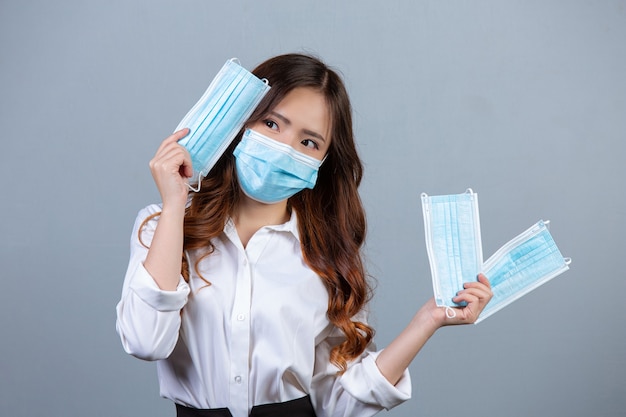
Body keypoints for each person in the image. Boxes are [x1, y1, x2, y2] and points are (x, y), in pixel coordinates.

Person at [116, 53, 492, 417]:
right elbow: (146, 341)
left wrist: (427, 320)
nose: (284, 148)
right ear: (240, 124)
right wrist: (174, 203)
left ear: (322, 163)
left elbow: (338, 403)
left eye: (308, 142)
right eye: (272, 124)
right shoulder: (160, 225)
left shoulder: (326, 256)